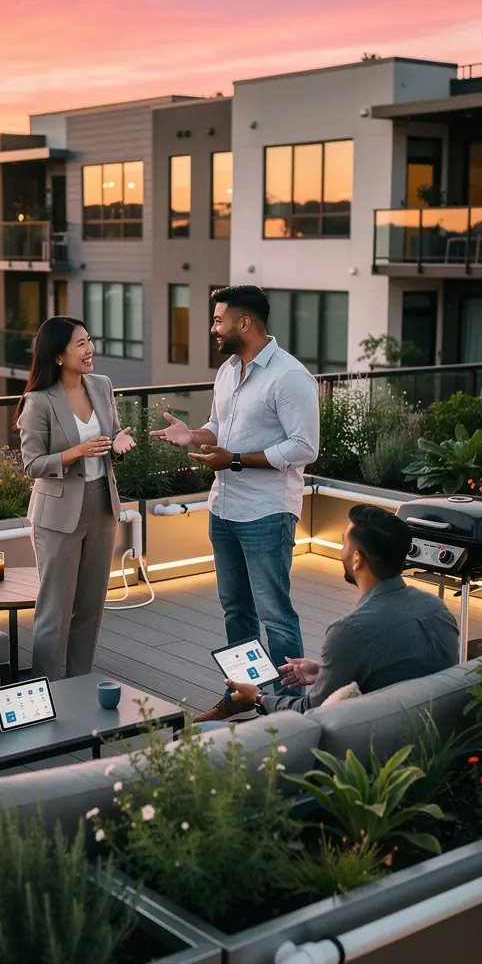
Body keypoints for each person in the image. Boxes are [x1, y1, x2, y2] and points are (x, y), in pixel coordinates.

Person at [152, 284, 319, 683]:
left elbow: (304, 447)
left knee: (275, 615)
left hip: (266, 512)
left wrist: (237, 460)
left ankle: (288, 706)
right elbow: (219, 427)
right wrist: (193, 435)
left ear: (244, 323)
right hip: (223, 508)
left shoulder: (290, 377)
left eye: (217, 320)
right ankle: (245, 694)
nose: (213, 329)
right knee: (236, 612)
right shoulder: (227, 372)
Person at [194, 504, 459, 721]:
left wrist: (259, 698)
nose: (341, 548)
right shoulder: (437, 609)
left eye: (343, 542)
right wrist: (324, 672)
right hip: (428, 731)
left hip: (374, 750)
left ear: (357, 559)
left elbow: (311, 713)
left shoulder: (350, 631)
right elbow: (396, 672)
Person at [16, 316, 136, 681]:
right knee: (54, 611)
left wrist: (118, 442)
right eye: (80, 344)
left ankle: (79, 685)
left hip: (102, 506)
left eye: (89, 340)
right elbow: (32, 464)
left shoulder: (101, 385)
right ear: (57, 355)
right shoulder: (38, 402)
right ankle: (45, 692)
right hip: (57, 515)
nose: (90, 350)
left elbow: (111, 434)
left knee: (90, 608)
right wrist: (75, 452)